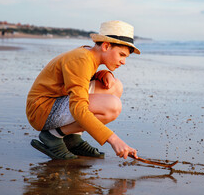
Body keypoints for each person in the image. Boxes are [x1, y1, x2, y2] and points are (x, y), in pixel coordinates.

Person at [26, 20, 140, 160]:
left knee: (115, 87)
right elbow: (78, 109)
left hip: (54, 103)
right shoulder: (81, 59)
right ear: (105, 46)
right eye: (121, 55)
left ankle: (72, 138)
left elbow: (79, 79)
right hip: (41, 111)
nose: (124, 61)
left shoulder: (88, 55)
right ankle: (52, 136)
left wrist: (103, 74)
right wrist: (115, 140)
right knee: (113, 106)